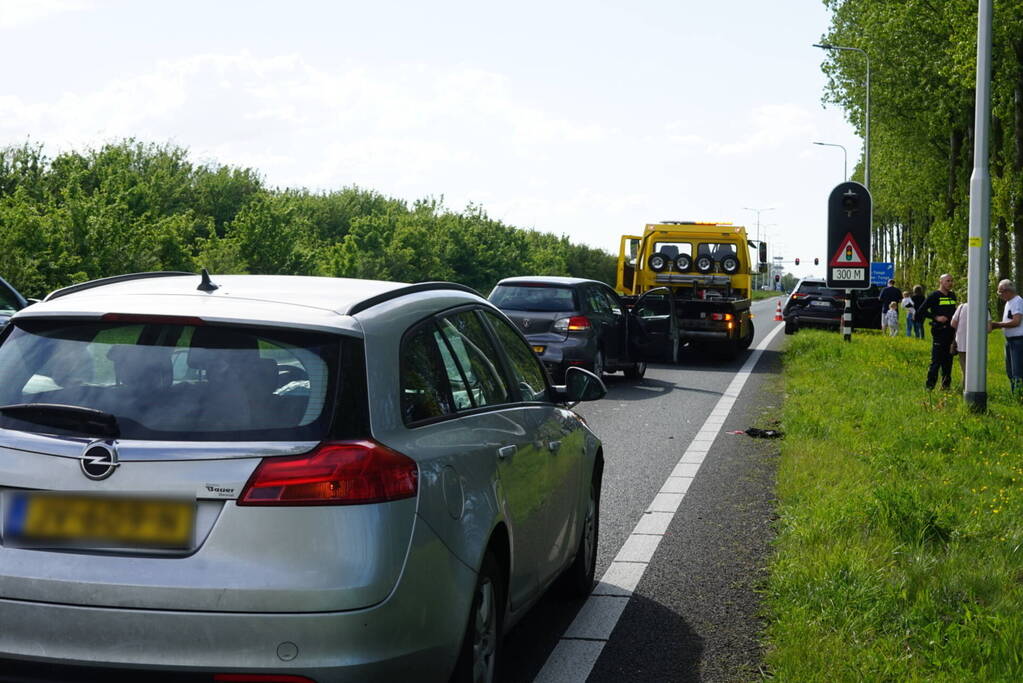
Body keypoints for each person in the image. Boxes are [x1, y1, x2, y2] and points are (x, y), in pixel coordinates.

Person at [916, 274, 958, 390]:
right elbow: (920, 311)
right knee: (936, 361)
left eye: (951, 281)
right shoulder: (934, 296)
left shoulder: (952, 296)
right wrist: (936, 317)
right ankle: (929, 387)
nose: (950, 283)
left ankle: (946, 386)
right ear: (941, 282)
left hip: (951, 332)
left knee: (948, 361)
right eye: (947, 281)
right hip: (939, 332)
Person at [990, 279, 1023, 395]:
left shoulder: (1017, 301)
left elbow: (1016, 321)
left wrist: (998, 325)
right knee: (1010, 371)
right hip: (1010, 341)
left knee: (1017, 372)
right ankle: (1015, 393)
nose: (1000, 296)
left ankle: (1018, 396)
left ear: (1007, 291)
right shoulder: (1009, 302)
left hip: (1018, 341)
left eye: (1000, 293)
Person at [950, 301, 991, 379]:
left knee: (965, 371)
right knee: (976, 371)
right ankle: (977, 389)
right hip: (977, 346)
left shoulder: (961, 307)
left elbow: (953, 324)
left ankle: (965, 389)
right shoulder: (984, 309)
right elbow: (989, 329)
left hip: (962, 344)